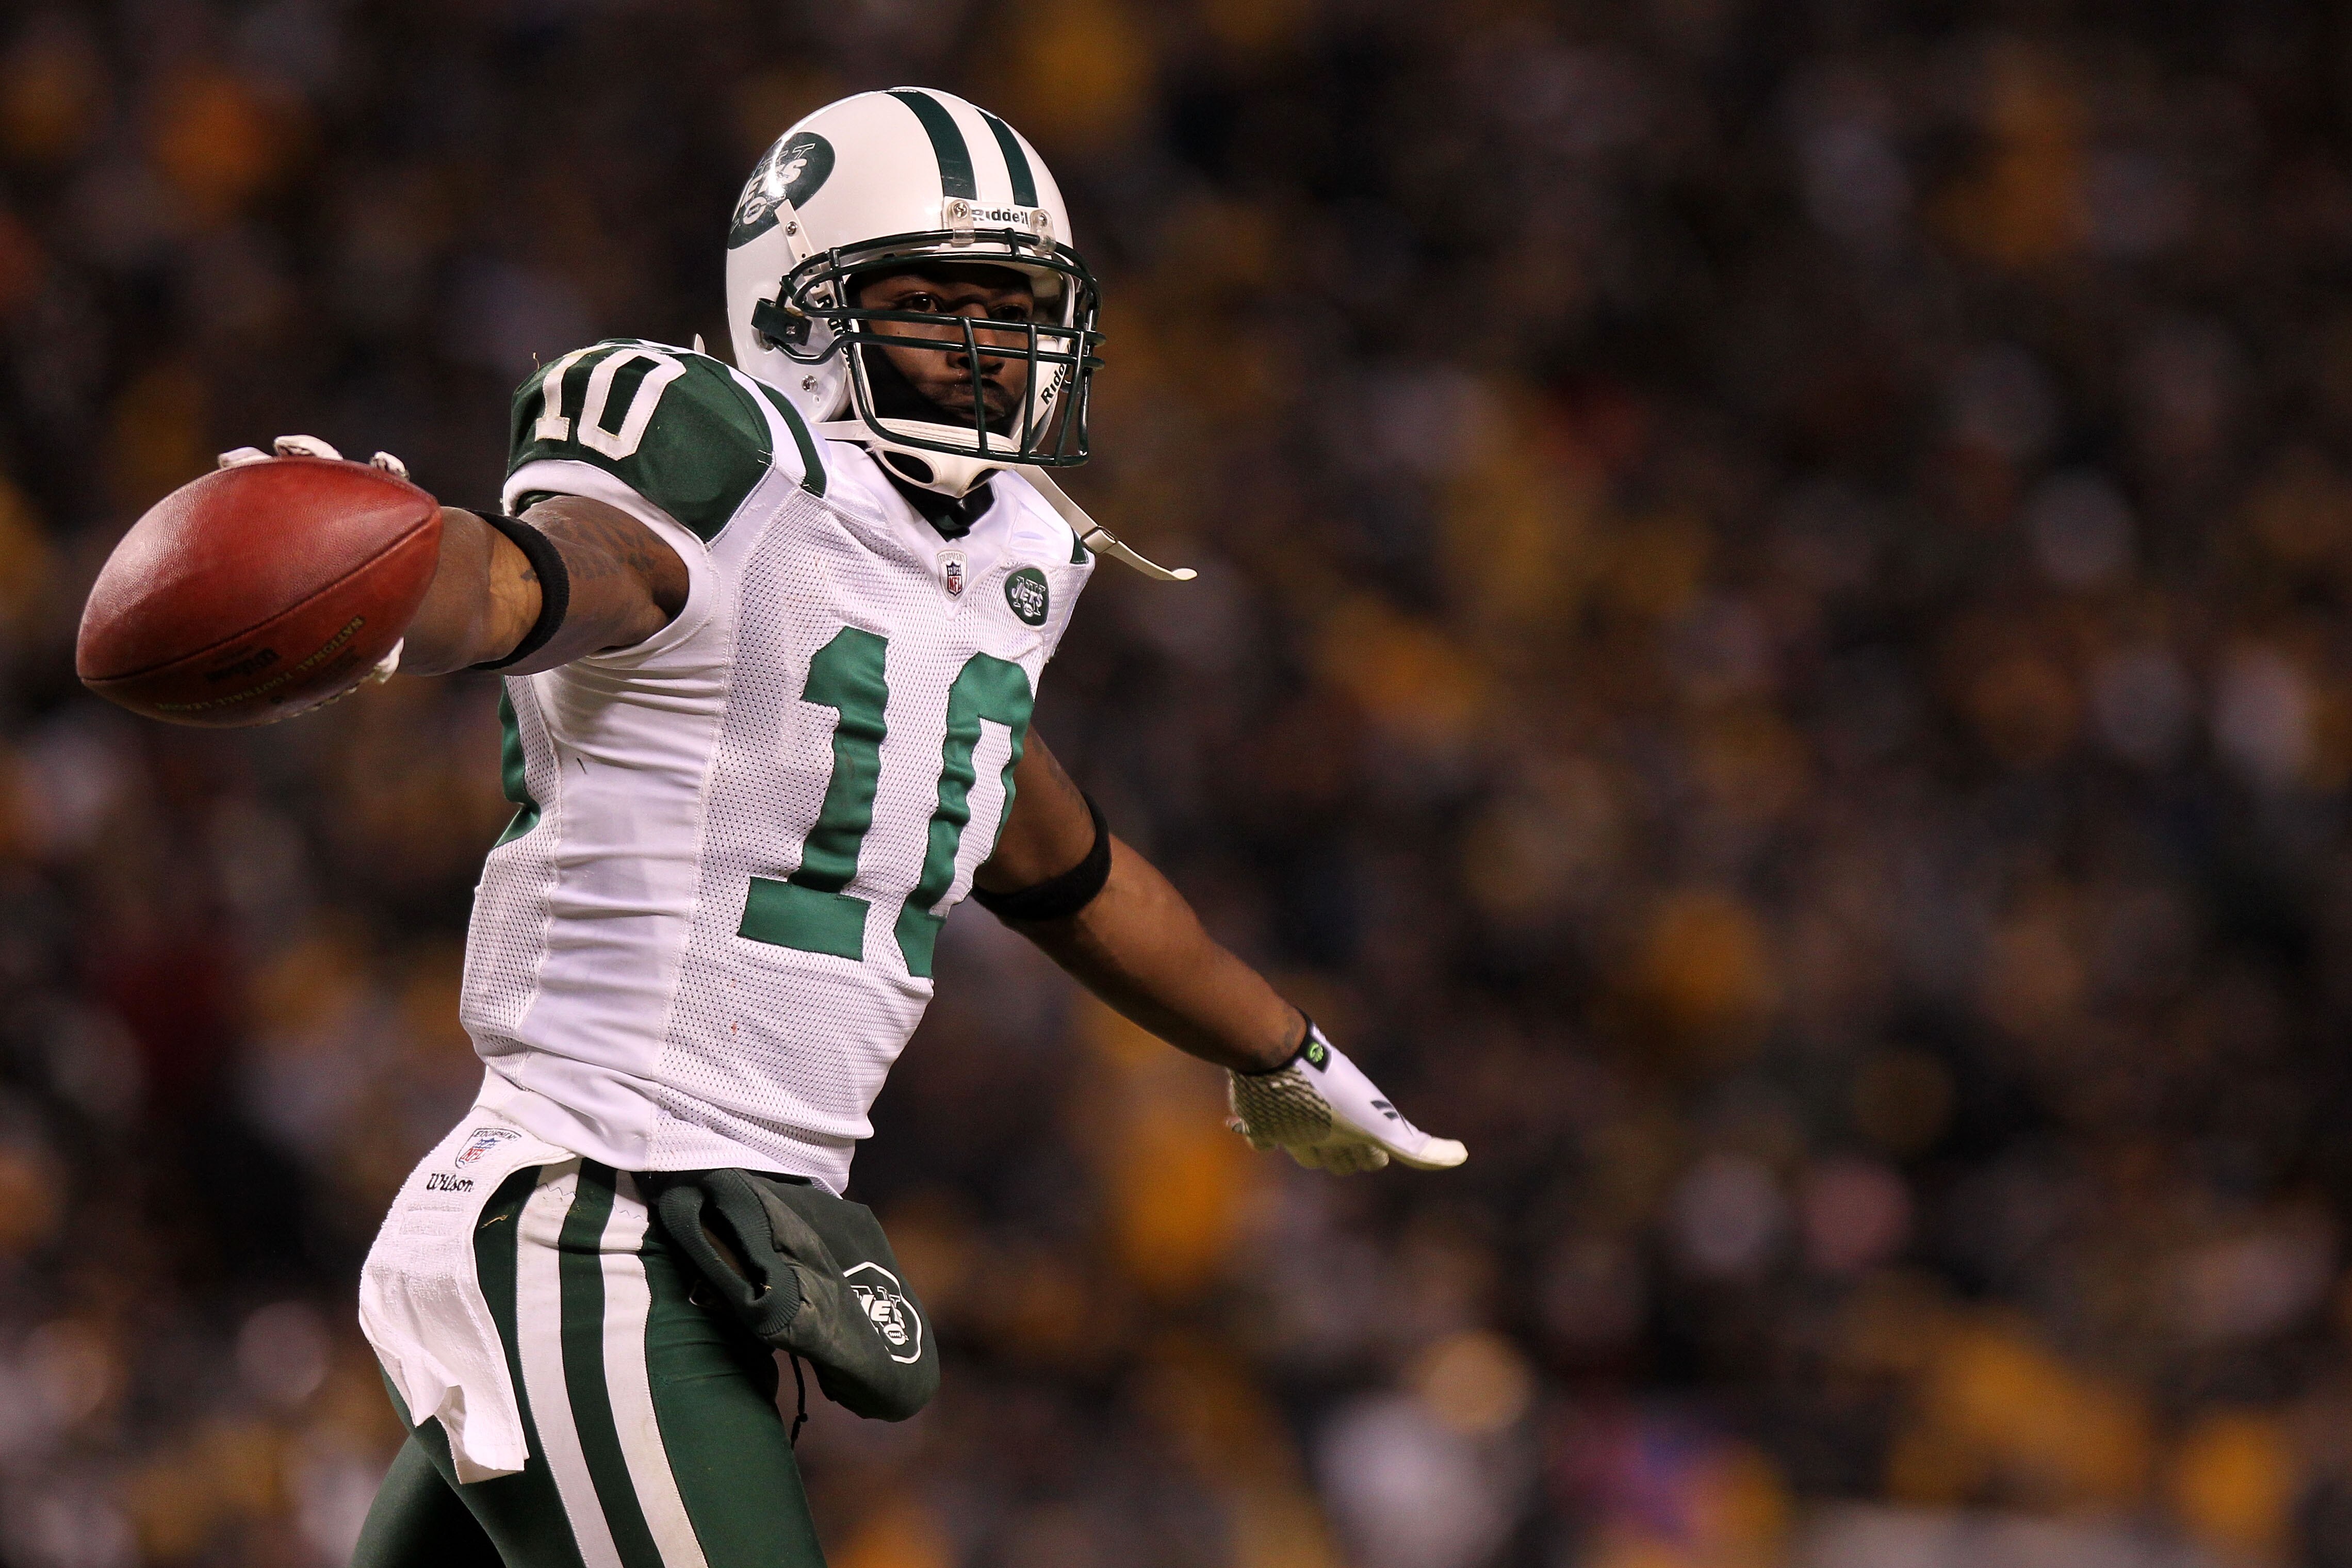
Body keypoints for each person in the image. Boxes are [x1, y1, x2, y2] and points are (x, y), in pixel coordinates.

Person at [259, 88, 1465, 1568]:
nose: (986, 344)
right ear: (799, 312)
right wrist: (394, 574)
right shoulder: (721, 465)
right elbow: (542, 578)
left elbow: (1048, 855)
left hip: (718, 1243)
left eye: (1012, 305)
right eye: (930, 302)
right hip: (593, 1218)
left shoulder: (1004, 558)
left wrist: (1281, 1046)